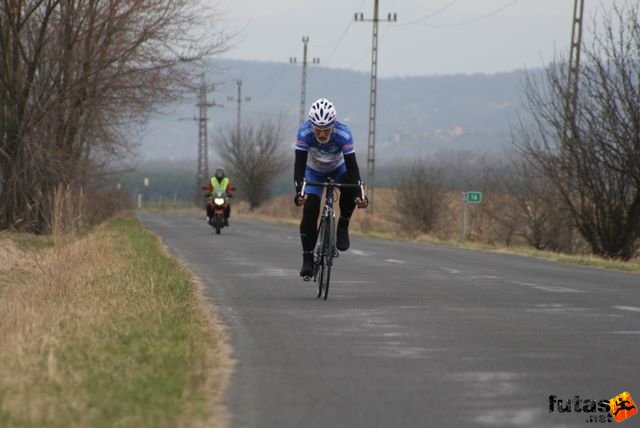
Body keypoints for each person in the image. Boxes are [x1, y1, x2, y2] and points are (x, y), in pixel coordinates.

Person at [293, 98, 368, 278]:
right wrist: (299, 193)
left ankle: (343, 223)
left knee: (349, 184)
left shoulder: (344, 133)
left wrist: (359, 193)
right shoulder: (303, 133)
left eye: (326, 129)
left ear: (333, 125)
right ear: (312, 126)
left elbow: (353, 167)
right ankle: (308, 258)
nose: (321, 134)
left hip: (338, 168)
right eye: (318, 130)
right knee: (310, 208)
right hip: (313, 171)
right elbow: (299, 165)